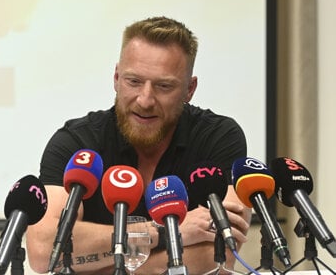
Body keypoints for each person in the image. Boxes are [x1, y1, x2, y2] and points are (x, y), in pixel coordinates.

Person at [25, 16, 252, 274]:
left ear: (190, 89)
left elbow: (217, 257)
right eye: (133, 82)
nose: (145, 100)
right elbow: (45, 252)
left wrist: (101, 265)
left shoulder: (217, 137)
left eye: (164, 86)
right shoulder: (76, 142)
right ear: (116, 77)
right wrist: (167, 232)